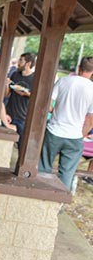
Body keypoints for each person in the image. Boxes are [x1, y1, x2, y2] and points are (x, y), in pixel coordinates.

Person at [40, 56, 93, 189]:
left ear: (79, 68)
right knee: (67, 174)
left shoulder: (63, 81)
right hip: (74, 135)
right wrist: (81, 135)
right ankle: (59, 200)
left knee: (44, 167)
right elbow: (90, 120)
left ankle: (39, 194)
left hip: (54, 131)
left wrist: (55, 111)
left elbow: (47, 105)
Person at [4, 52, 36, 148]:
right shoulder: (15, 74)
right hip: (9, 114)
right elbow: (6, 94)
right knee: (5, 143)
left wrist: (27, 94)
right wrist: (7, 84)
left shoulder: (34, 78)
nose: (18, 63)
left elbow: (36, 97)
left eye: (21, 61)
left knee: (21, 146)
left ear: (28, 64)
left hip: (23, 116)